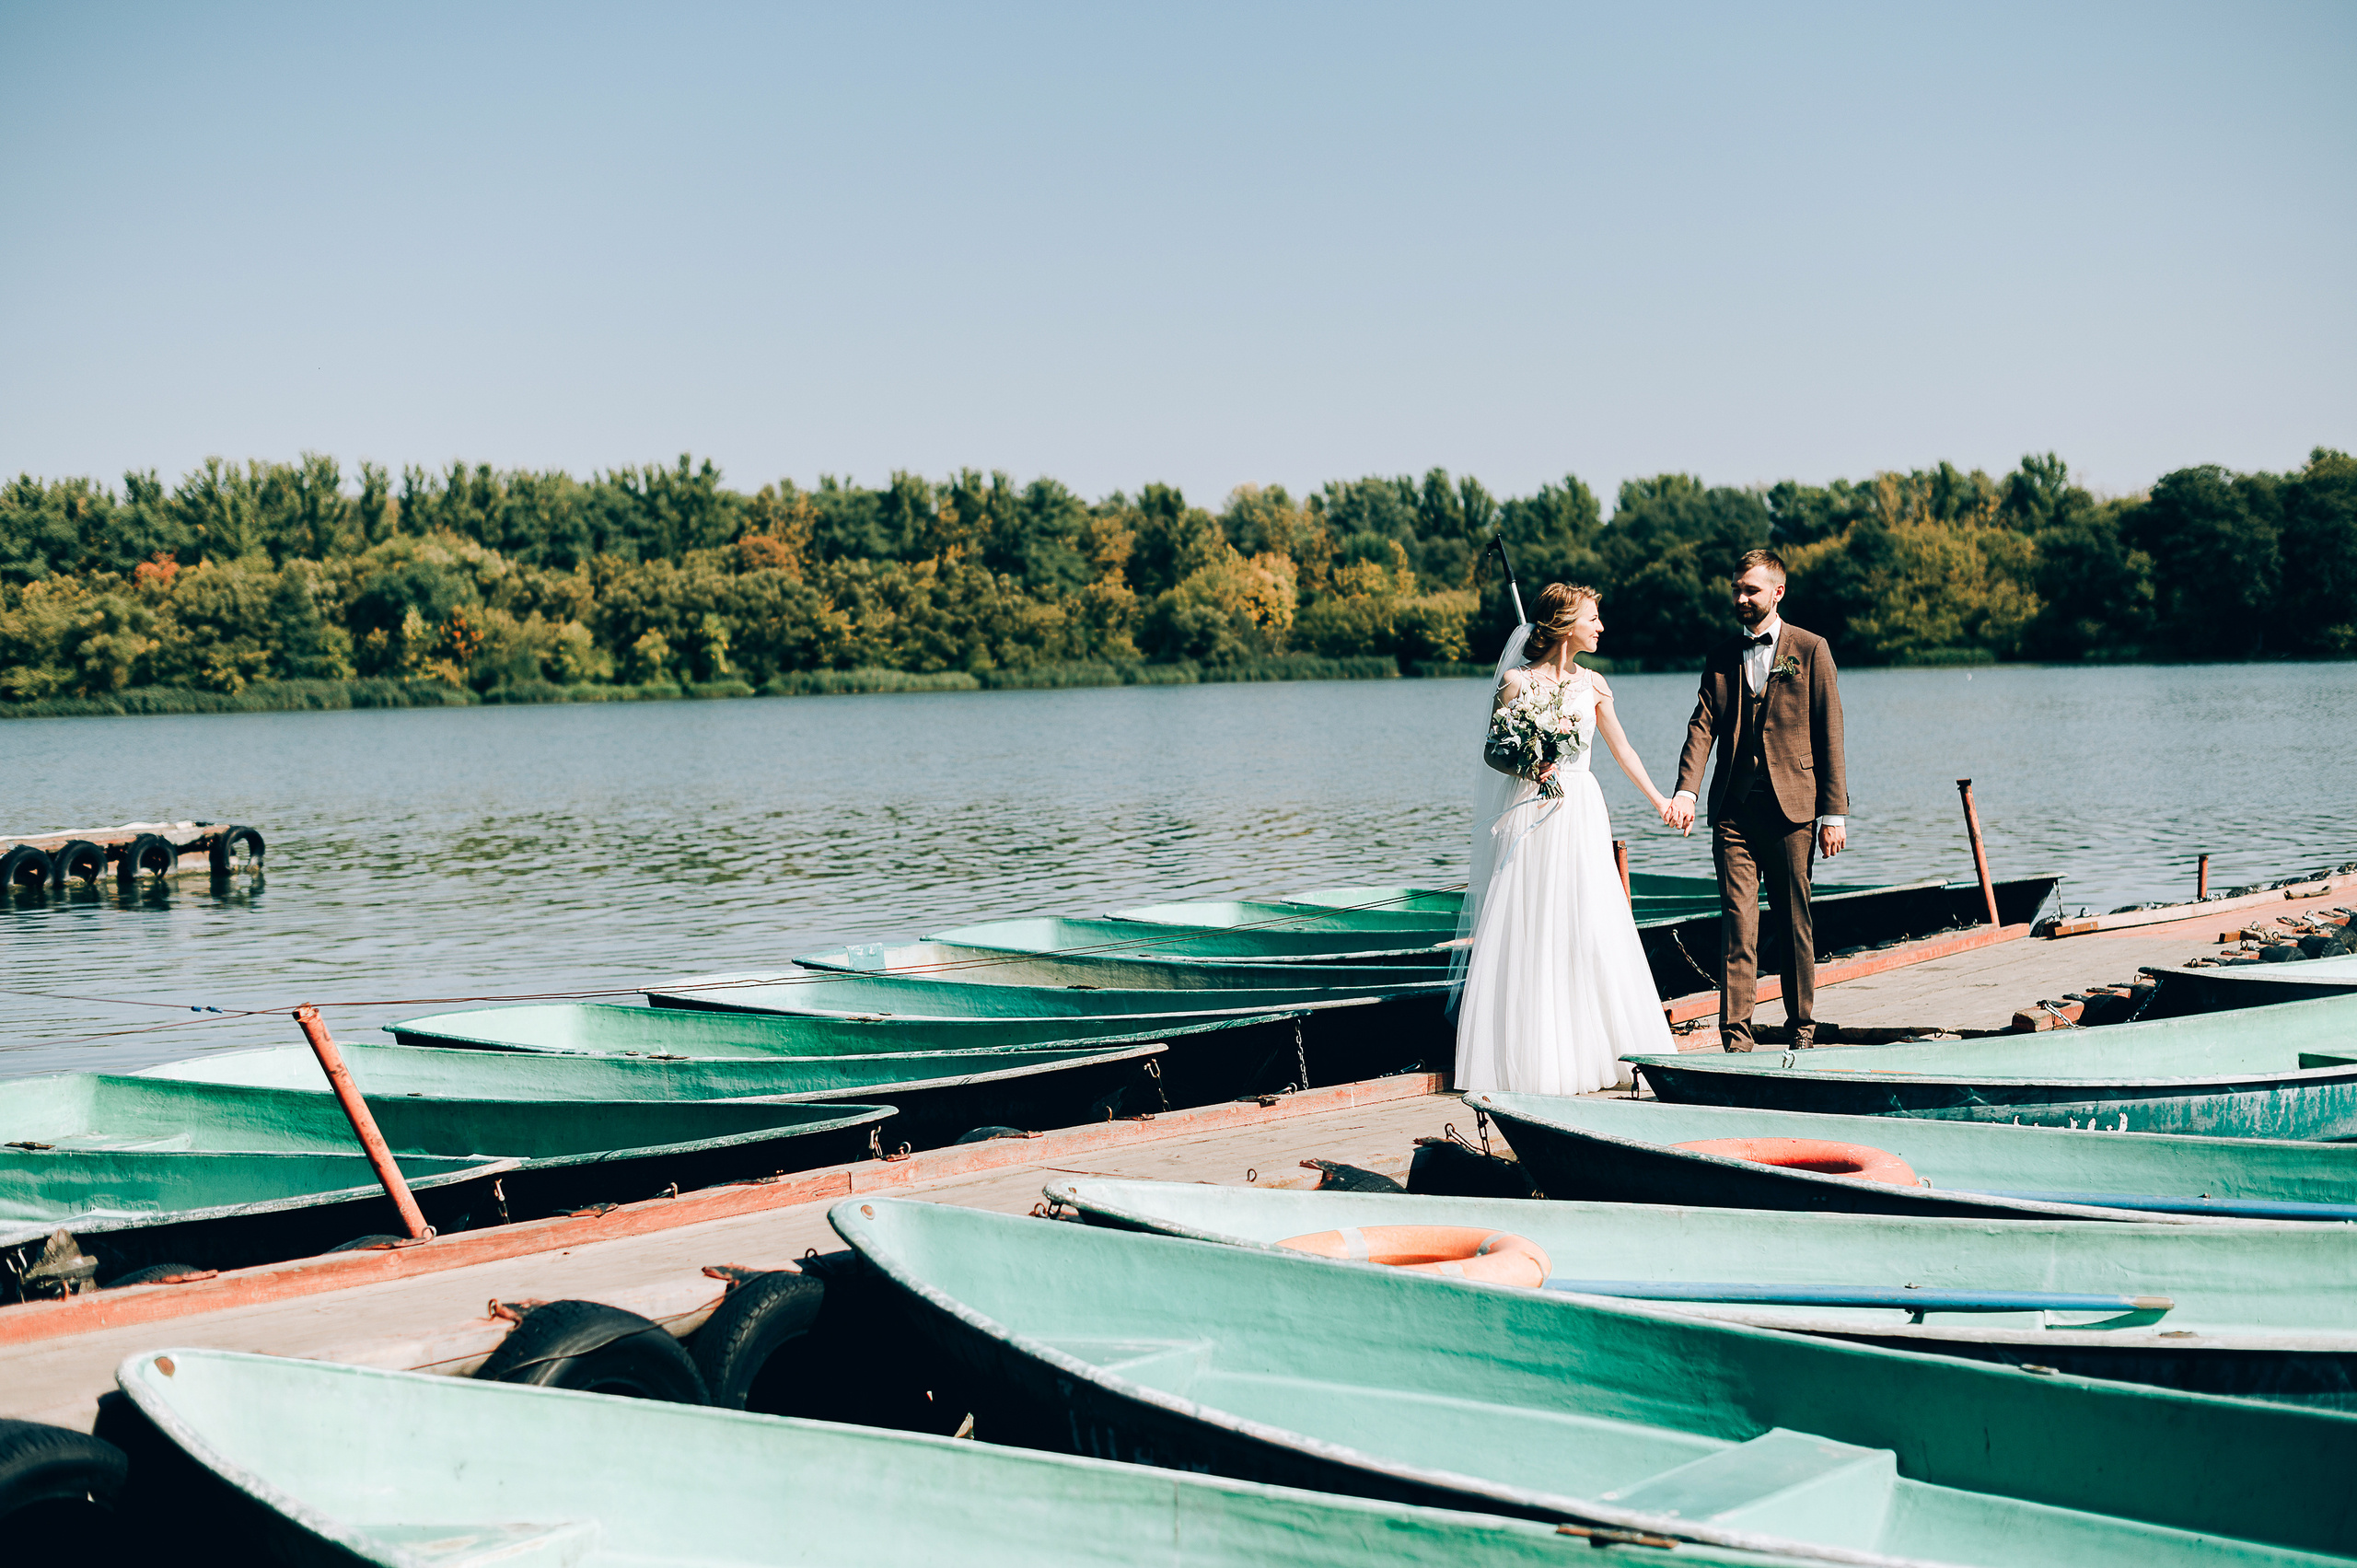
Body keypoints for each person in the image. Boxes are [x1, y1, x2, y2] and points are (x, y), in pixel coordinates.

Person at [1452, 583, 1680, 1094]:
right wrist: (1530, 762)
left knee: (1591, 922)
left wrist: (1660, 801)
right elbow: (1493, 752)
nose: (1601, 627)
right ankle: (1538, 1060)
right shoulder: (1515, 682)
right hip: (1532, 812)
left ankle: (1602, 1046)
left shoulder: (1594, 685)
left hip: (1579, 810)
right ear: (1565, 625)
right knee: (1533, 925)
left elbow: (1624, 751)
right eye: (1593, 618)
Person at [1664, 549, 1849, 1052]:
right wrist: (1686, 789)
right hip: (1733, 813)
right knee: (1737, 923)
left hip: (1794, 813)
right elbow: (1702, 726)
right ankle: (1736, 1039)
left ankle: (1802, 1030)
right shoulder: (1721, 656)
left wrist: (1833, 814)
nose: (1741, 598)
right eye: (1736, 590)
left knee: (1794, 922)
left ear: (1777, 592)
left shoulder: (1811, 650)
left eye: (1751, 590)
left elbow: (1830, 733)